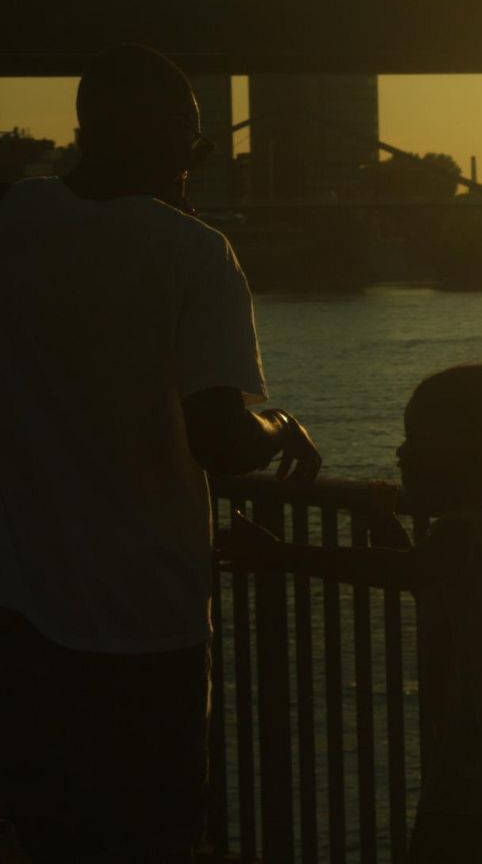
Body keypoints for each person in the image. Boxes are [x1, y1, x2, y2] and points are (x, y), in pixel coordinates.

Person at [0, 43, 321, 864]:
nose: (197, 168)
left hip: (24, 622)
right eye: (197, 147)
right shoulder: (194, 254)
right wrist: (282, 426)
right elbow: (222, 441)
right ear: (172, 139)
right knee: (158, 837)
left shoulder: (16, 222)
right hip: (148, 627)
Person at [217, 363, 482, 863]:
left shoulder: (463, 529)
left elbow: (407, 572)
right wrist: (385, 525)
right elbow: (425, 576)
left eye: (417, 439)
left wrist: (280, 554)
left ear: (458, 450)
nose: (402, 453)